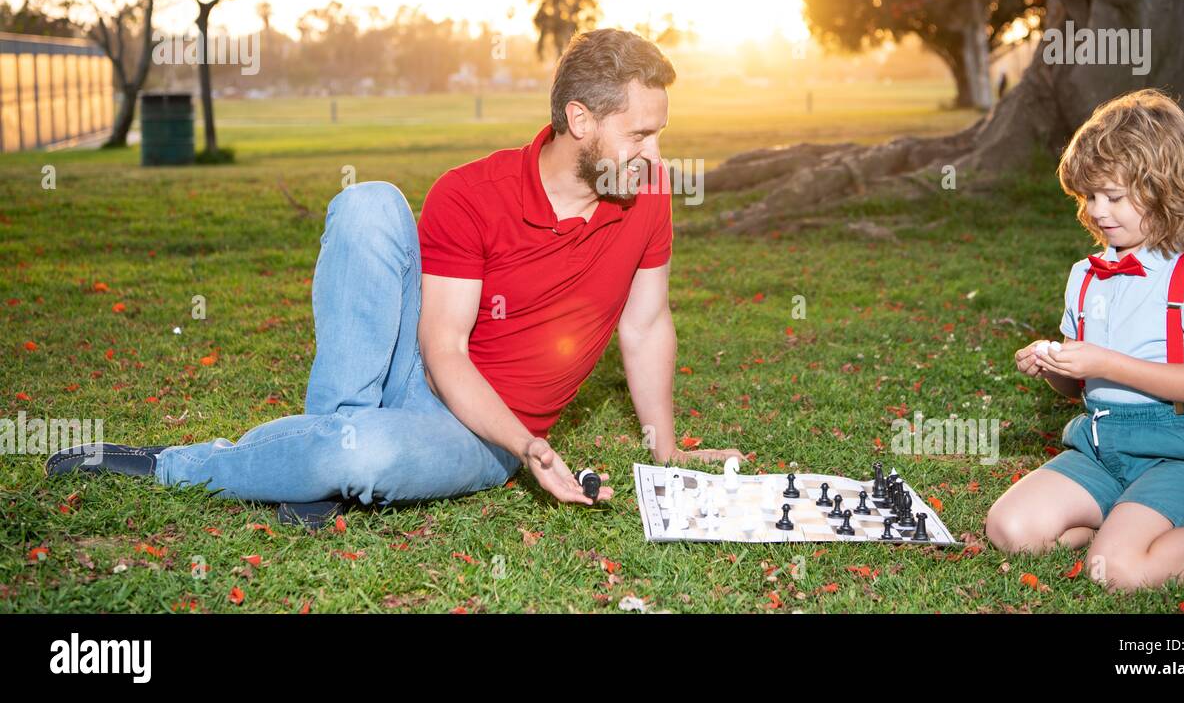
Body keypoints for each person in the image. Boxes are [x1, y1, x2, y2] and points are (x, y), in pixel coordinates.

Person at [46, 28, 741, 525]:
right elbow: (442, 351)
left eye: (660, 134)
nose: (656, 155)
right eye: (641, 135)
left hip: (481, 437)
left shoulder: (646, 196)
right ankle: (184, 462)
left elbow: (645, 324)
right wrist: (538, 452)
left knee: (363, 454)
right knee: (369, 200)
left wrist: (664, 443)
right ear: (580, 120)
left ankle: (332, 460)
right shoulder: (472, 192)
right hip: (432, 370)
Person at [986, 89, 1184, 591]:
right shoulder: (1085, 276)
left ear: (1164, 187)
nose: (1098, 211)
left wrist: (1107, 361)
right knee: (1010, 529)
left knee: (1120, 572)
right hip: (1100, 448)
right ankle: (1137, 529)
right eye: (1089, 196)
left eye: (1114, 196)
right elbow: (1080, 390)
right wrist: (1055, 367)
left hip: (1183, 455)